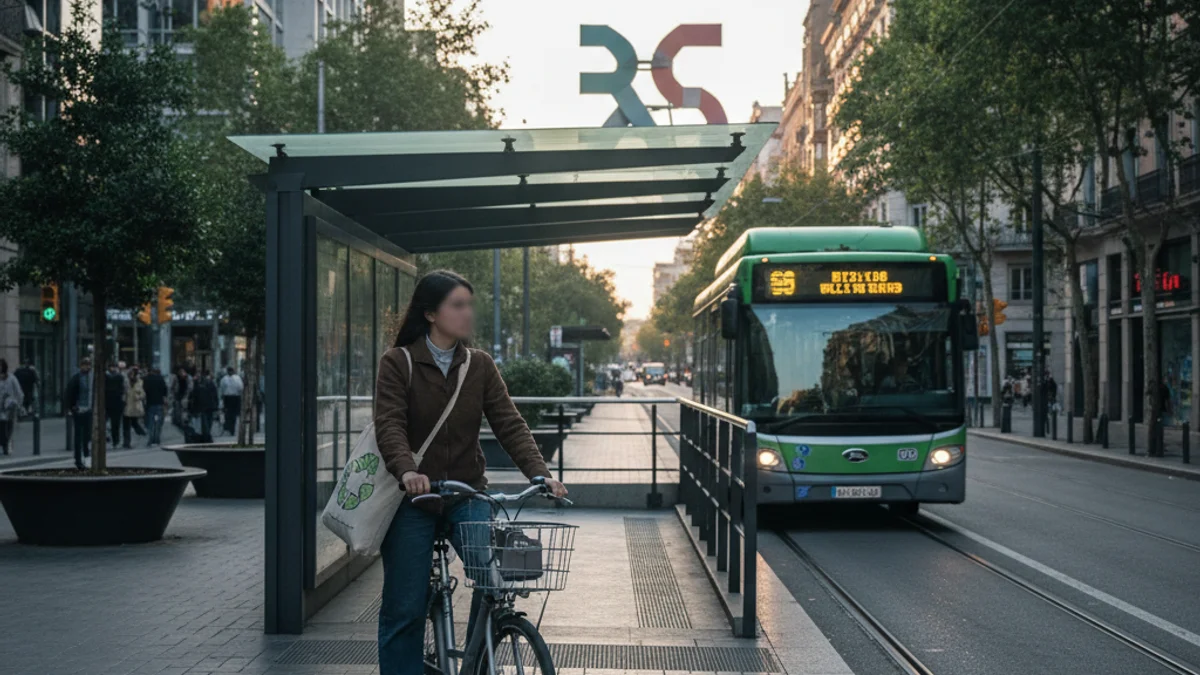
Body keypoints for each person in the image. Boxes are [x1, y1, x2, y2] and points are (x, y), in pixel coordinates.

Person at [373, 270, 567, 675]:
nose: (466, 314)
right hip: (415, 498)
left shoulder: (479, 365)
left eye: (469, 305)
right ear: (430, 313)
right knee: (404, 607)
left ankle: (477, 658)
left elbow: (508, 422)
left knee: (493, 580)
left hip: (466, 493)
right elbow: (389, 425)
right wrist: (408, 471)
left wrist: (539, 472)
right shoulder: (399, 362)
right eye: (457, 305)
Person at [64, 358, 94, 469]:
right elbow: (69, 393)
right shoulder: (76, 378)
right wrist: (71, 408)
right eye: (84, 365)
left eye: (88, 365)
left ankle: (87, 459)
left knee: (87, 437)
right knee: (78, 437)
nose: (86, 367)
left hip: (89, 410)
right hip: (78, 410)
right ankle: (78, 460)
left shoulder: (92, 378)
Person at [0, 359, 23, 455]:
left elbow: (19, 393)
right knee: (1, 427)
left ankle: (6, 446)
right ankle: (4, 444)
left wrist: (18, 404)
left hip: (10, 407)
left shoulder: (12, 378)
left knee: (8, 427)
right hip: (0, 408)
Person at [142, 367, 167, 446]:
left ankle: (150, 439)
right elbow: (165, 391)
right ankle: (157, 438)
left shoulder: (146, 379)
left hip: (150, 403)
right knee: (158, 422)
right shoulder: (161, 379)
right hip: (159, 403)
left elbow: (144, 390)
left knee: (151, 422)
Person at [122, 367, 146, 449]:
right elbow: (122, 392)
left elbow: (143, 394)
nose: (131, 375)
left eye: (133, 374)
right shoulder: (125, 382)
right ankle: (126, 443)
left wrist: (138, 396)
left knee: (134, 423)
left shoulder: (140, 382)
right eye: (130, 374)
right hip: (126, 406)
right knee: (126, 426)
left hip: (135, 406)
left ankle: (143, 434)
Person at [104, 361, 126, 447]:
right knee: (111, 423)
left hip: (115, 403)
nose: (113, 369)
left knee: (115, 423)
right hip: (110, 402)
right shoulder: (116, 377)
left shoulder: (118, 377)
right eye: (111, 367)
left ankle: (115, 439)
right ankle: (113, 439)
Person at [191, 370, 219, 439]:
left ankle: (207, 435)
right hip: (209, 405)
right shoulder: (209, 383)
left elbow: (194, 396)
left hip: (204, 406)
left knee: (206, 421)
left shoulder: (198, 384)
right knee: (208, 421)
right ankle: (207, 434)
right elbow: (215, 395)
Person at [218, 366, 244, 436]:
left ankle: (231, 428)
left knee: (232, 414)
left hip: (233, 397)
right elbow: (240, 388)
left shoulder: (235, 378)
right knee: (229, 414)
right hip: (230, 397)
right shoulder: (225, 379)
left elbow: (240, 388)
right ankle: (229, 427)